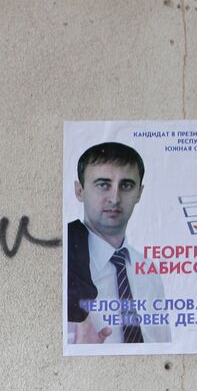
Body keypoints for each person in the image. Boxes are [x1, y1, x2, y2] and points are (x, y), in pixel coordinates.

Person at [65, 141, 169, 345]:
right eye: (103, 185)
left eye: (126, 185)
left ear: (139, 193)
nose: (115, 198)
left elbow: (163, 345)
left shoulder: (148, 271)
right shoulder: (64, 263)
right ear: (79, 191)